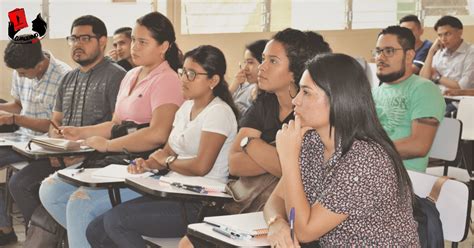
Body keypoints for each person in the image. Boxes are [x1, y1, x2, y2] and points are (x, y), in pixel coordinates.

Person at [39, 12, 183, 248]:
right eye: (134, 40)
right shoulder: (130, 75)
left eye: (143, 42)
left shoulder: (167, 80)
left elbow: (157, 134)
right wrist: (81, 132)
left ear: (164, 46)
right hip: (116, 161)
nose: (134, 47)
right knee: (50, 191)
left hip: (145, 167)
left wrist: (107, 145)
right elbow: (115, 124)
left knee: (80, 204)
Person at [179, 29, 332, 248]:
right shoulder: (264, 103)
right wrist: (263, 149)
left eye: (273, 61)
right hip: (249, 206)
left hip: (289, 214)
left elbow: (295, 169)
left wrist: (251, 145)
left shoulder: (310, 112)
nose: (262, 67)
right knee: (188, 243)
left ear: (293, 71)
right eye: (262, 59)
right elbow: (235, 163)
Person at [86, 45, 239, 248]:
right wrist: (147, 164)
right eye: (183, 71)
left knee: (117, 222)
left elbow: (201, 166)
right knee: (96, 230)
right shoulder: (186, 108)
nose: (183, 79)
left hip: (199, 203)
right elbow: (167, 150)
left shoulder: (219, 112)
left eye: (192, 74)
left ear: (213, 80)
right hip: (173, 191)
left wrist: (166, 162)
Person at [264, 53, 420, 247]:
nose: (295, 101)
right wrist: (276, 222)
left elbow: (305, 231)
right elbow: (275, 200)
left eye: (306, 92)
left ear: (338, 99)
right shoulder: (312, 140)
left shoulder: (366, 159)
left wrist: (288, 158)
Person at [7, 14, 125, 241]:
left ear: (102, 41)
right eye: (73, 39)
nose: (77, 44)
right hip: (62, 156)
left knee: (38, 187)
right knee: (21, 183)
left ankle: (63, 236)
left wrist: (78, 151)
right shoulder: (68, 79)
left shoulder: (117, 76)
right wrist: (56, 149)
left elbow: (117, 127)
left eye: (84, 38)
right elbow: (55, 123)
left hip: (96, 159)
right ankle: (51, 236)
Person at [0, 38, 71, 245]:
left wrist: (14, 119)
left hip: (47, 146)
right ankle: (5, 228)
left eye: (23, 72)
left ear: (40, 65)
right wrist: (4, 111)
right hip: (21, 139)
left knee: (19, 184)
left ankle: (43, 235)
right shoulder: (20, 68)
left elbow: (56, 126)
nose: (20, 76)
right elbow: (18, 105)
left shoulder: (63, 76)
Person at [372, 25, 445, 172]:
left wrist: (368, 153)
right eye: (378, 51)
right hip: (371, 171)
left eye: (389, 51)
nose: (380, 57)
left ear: (410, 56)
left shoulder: (424, 89)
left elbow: (418, 146)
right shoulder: (375, 92)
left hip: (404, 179)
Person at [420, 15, 474, 90]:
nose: (443, 39)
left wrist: (437, 77)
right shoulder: (440, 52)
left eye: (447, 34)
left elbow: (462, 87)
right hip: (435, 96)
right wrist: (431, 51)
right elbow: (423, 80)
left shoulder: (471, 52)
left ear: (460, 32)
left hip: (458, 100)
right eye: (440, 35)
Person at [228, 39, 268, 114]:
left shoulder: (270, 96)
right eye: (245, 62)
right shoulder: (242, 88)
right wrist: (233, 86)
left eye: (250, 62)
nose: (245, 68)